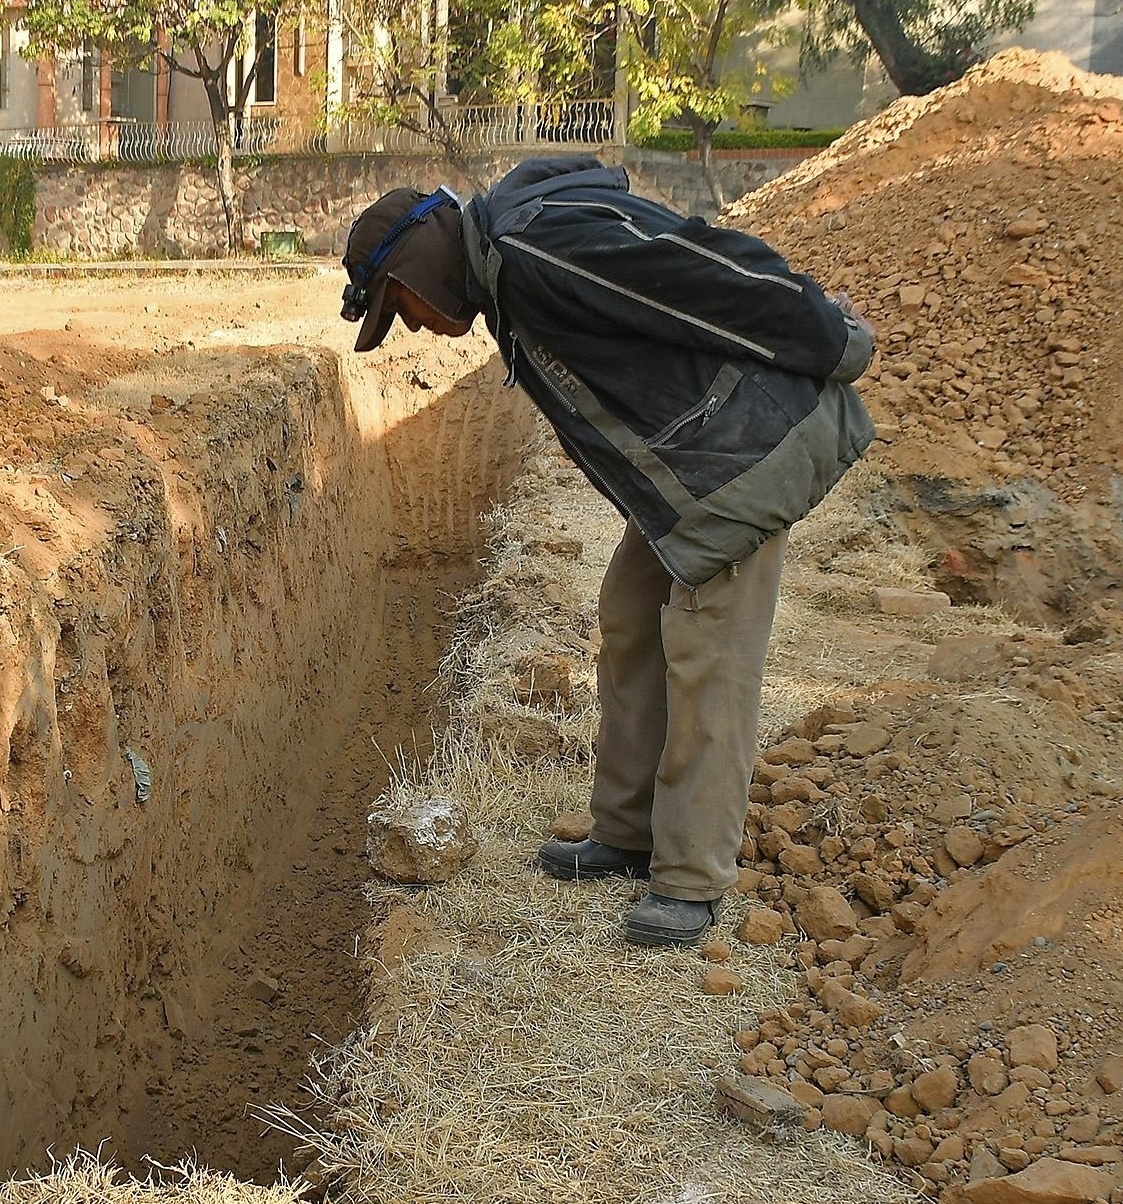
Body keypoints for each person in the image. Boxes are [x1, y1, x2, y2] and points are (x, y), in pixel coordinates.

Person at [341, 154, 875, 946]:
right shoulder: (509, 276)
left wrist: (830, 336)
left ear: (422, 261)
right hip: (687, 475)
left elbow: (701, 271)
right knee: (628, 614)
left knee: (710, 658)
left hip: (743, 456)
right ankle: (624, 830)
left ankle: (690, 881)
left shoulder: (539, 247)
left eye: (402, 306)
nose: (414, 325)